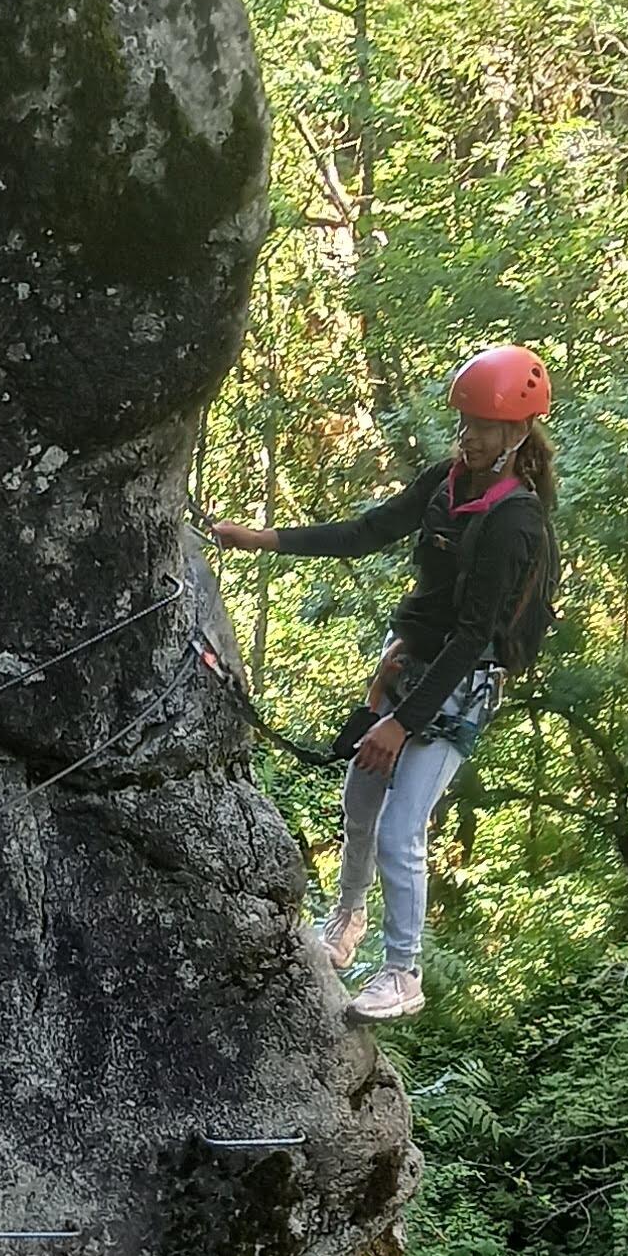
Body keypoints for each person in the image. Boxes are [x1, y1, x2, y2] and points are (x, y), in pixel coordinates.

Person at [209, 342, 560, 1021]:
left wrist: (399, 725)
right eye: (464, 423)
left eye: (483, 427)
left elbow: (471, 636)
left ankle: (403, 973)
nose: (468, 437)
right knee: (361, 795)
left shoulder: (516, 521)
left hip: (461, 681)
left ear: (517, 433)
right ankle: (346, 919)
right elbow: (367, 532)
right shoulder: (448, 481)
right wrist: (262, 540)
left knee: (401, 829)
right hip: (409, 659)